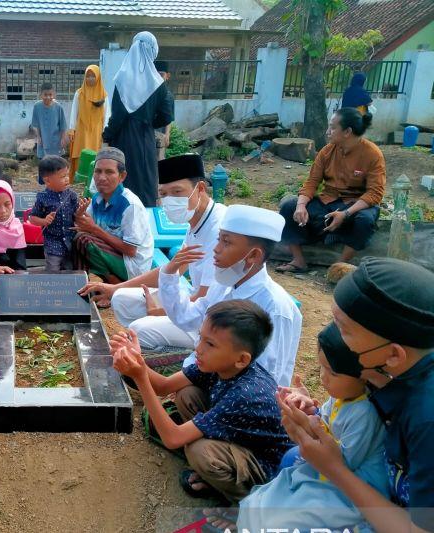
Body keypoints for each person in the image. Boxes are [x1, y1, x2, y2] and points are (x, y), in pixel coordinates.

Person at [278, 257, 434, 533]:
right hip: (380, 481)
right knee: (293, 460)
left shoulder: (426, 418)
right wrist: (314, 412)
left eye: (344, 330)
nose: (334, 336)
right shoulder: (386, 369)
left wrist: (335, 469)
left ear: (394, 354)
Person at [110, 300, 293, 504]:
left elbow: (172, 438)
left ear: (242, 359)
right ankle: (220, 470)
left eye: (210, 344)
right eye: (201, 338)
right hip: (242, 438)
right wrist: (139, 360)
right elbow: (163, 386)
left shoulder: (245, 395)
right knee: (187, 394)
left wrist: (140, 376)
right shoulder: (221, 365)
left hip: (268, 468)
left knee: (200, 452)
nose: (198, 348)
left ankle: (246, 504)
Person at [236, 322, 388, 531]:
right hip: (328, 471)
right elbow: (323, 420)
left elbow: (345, 462)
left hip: (352, 487)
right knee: (272, 493)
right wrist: (307, 409)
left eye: (332, 373)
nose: (323, 377)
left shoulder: (365, 413)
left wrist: (307, 428)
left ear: (364, 375)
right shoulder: (342, 398)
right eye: (321, 368)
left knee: (293, 512)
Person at [82, 153, 226, 350]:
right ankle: (162, 347)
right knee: (121, 298)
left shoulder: (219, 230)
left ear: (200, 188)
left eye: (177, 191)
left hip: (211, 320)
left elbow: (203, 300)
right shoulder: (196, 221)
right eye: (164, 194)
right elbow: (173, 268)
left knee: (139, 329)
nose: (170, 200)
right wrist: (116, 287)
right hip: (192, 301)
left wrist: (159, 311)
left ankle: (188, 354)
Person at [156, 204, 302, 386]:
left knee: (186, 393)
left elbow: (268, 376)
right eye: (218, 240)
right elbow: (187, 318)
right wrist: (169, 274)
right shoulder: (223, 285)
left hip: (241, 398)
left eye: (226, 242)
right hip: (211, 374)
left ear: (253, 255)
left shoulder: (274, 307)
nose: (216, 249)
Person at [277, 108, 385, 272]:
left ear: (347, 131)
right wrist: (300, 206)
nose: (328, 132)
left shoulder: (372, 154)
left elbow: (375, 193)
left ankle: (338, 267)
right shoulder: (326, 151)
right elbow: (312, 183)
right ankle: (298, 260)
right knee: (288, 207)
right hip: (328, 202)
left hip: (355, 205)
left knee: (365, 221)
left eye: (333, 127)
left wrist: (346, 214)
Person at [103, 32, 173, 207]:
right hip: (145, 138)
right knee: (145, 179)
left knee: (122, 176)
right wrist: (148, 121)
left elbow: (117, 116)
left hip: (122, 138)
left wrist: (107, 136)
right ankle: (145, 220)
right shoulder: (158, 83)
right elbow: (166, 116)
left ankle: (119, 221)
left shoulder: (122, 79)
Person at [73, 147, 153, 285]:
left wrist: (93, 229)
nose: (101, 177)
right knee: (73, 238)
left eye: (109, 172)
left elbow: (131, 250)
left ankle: (114, 285)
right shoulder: (97, 198)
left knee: (83, 239)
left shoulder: (130, 205)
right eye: (98, 171)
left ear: (122, 176)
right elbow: (84, 226)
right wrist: (79, 218)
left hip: (132, 266)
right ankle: (80, 287)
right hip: (112, 254)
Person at [28, 155, 79, 272]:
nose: (67, 179)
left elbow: (77, 214)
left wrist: (80, 216)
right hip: (53, 243)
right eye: (62, 176)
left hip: (70, 241)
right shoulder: (43, 198)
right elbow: (32, 218)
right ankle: (52, 288)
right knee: (53, 269)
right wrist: (44, 221)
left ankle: (68, 290)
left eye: (67, 175)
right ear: (48, 181)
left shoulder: (71, 195)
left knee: (70, 270)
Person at [67, 65, 109, 180]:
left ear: (98, 78)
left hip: (96, 131)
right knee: (80, 154)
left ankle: (92, 181)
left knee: (94, 155)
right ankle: (78, 181)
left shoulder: (103, 96)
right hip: (81, 129)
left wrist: (105, 132)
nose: (90, 79)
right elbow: (74, 112)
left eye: (93, 76)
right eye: (88, 76)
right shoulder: (79, 93)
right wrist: (72, 129)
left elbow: (106, 115)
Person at [31, 82, 68, 159]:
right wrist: (38, 137)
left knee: (55, 162)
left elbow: (63, 125)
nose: (48, 97)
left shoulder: (58, 107)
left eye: (50, 95)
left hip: (55, 141)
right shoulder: (37, 107)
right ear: (41, 95)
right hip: (43, 140)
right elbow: (36, 124)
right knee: (43, 162)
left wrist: (63, 138)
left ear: (54, 94)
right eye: (45, 95)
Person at [157, 70, 175, 155]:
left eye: (161, 74)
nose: (159, 77)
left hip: (161, 134)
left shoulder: (169, 95)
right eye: (157, 74)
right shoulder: (148, 94)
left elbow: (169, 119)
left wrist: (167, 134)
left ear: (167, 76)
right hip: (147, 135)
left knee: (160, 158)